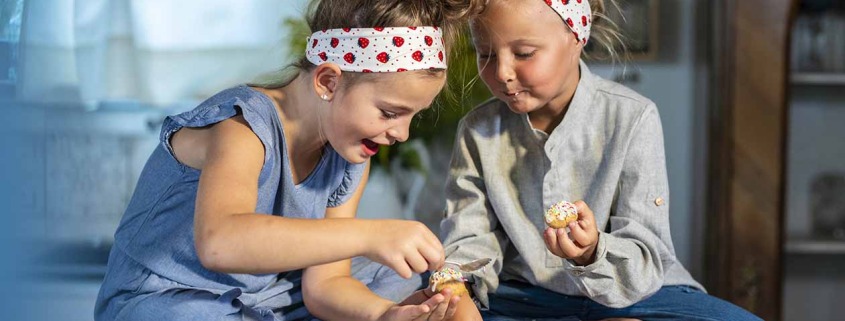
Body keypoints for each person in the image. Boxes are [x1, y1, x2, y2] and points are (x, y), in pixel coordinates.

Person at [94, 0, 486, 320]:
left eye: (412, 116)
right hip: (170, 298)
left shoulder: (350, 154)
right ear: (328, 82)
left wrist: (384, 314)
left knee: (410, 275)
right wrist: (371, 235)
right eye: (389, 113)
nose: (401, 134)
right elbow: (219, 242)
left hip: (263, 297)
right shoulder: (242, 127)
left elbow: (326, 284)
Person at [439, 0, 763, 320]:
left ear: (576, 37)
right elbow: (469, 241)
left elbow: (644, 247)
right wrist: (456, 292)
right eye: (486, 54)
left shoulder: (633, 117)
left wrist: (592, 251)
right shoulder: (477, 130)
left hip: (638, 296)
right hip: (526, 296)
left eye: (524, 53)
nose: (502, 72)